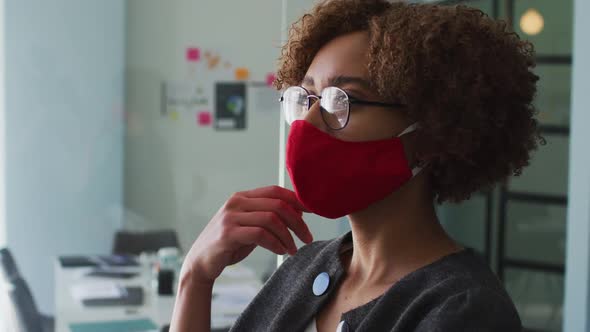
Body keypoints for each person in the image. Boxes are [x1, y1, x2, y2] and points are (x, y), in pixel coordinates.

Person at [170, 1, 542, 331]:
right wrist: (196, 278)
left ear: (432, 133)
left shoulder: (466, 309)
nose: (308, 123)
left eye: (342, 100)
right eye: (306, 98)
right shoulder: (306, 266)